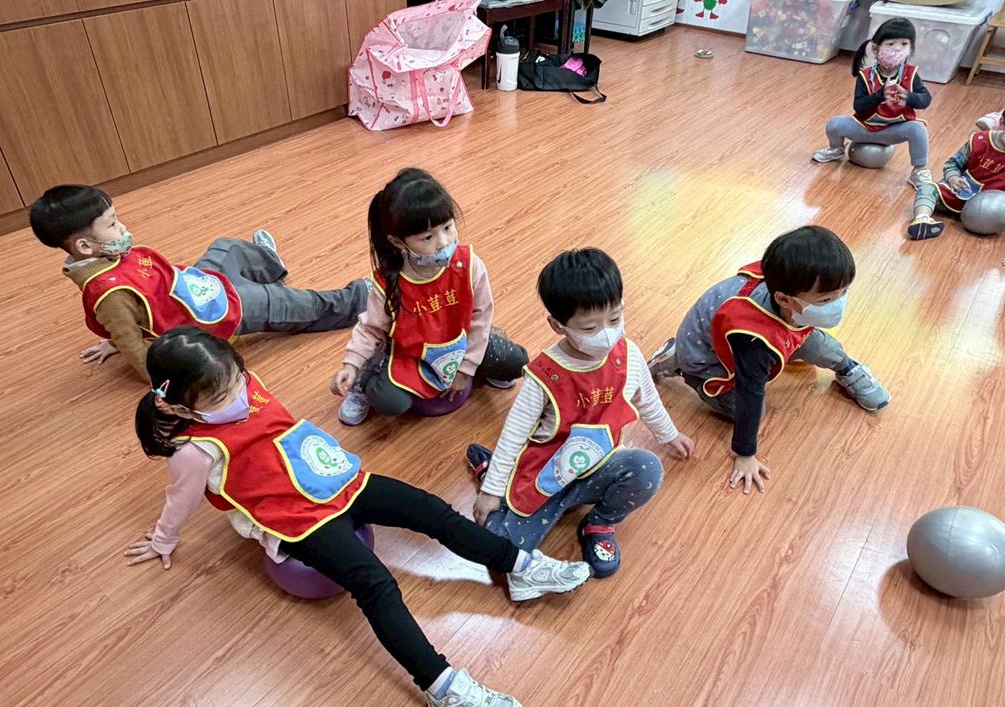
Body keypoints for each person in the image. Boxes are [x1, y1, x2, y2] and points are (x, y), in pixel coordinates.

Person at [125, 327, 591, 707]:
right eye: (221, 396)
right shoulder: (194, 453)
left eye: (235, 379)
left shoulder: (244, 384)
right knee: (376, 585)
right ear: (175, 405)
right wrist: (163, 540)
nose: (237, 394)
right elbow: (180, 500)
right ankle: (443, 690)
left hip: (337, 480)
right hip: (297, 519)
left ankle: (519, 566)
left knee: (432, 511)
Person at [467, 249, 695, 578]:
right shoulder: (544, 375)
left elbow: (646, 398)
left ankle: (598, 524)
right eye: (590, 327)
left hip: (596, 468)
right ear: (557, 325)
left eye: (614, 319)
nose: (607, 333)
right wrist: (491, 493)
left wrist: (669, 435)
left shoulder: (628, 355)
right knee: (500, 549)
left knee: (647, 469)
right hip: (543, 478)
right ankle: (493, 476)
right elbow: (513, 435)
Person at [31, 184, 368, 382]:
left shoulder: (105, 256)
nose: (123, 229)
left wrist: (112, 338)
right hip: (210, 316)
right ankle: (359, 298)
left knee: (226, 247)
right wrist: (125, 347)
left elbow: (129, 319)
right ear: (85, 246)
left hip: (196, 286)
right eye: (112, 225)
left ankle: (269, 264)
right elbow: (133, 343)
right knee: (283, 302)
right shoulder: (110, 293)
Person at [649, 226, 890, 495]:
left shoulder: (791, 287)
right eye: (827, 299)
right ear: (784, 299)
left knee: (819, 345)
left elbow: (805, 330)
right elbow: (750, 394)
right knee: (748, 409)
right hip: (705, 359)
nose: (839, 303)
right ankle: (676, 359)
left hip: (762, 327)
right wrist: (745, 454)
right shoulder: (753, 341)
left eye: (843, 292)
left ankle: (848, 369)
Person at [331, 169, 527, 425]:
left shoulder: (470, 265)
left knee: (518, 362)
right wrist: (352, 365)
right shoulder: (389, 282)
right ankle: (365, 379)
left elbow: (481, 318)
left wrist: (467, 367)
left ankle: (481, 368)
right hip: (413, 356)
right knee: (389, 401)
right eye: (427, 237)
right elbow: (371, 329)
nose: (443, 242)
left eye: (447, 227)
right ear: (398, 242)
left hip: (460, 343)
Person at [812, 18, 932, 189]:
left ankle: (919, 170)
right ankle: (836, 149)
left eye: (904, 44)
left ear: (910, 49)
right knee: (835, 124)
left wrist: (908, 97)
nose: (898, 49)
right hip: (865, 128)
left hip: (894, 131)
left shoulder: (911, 74)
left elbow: (925, 100)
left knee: (918, 129)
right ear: (876, 49)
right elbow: (859, 107)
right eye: (891, 44)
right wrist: (879, 95)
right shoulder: (865, 75)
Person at [908, 112, 1005, 240]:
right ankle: (922, 220)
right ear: (1001, 122)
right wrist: (953, 178)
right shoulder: (979, 140)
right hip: (960, 192)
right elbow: (952, 164)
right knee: (927, 188)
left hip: (992, 209)